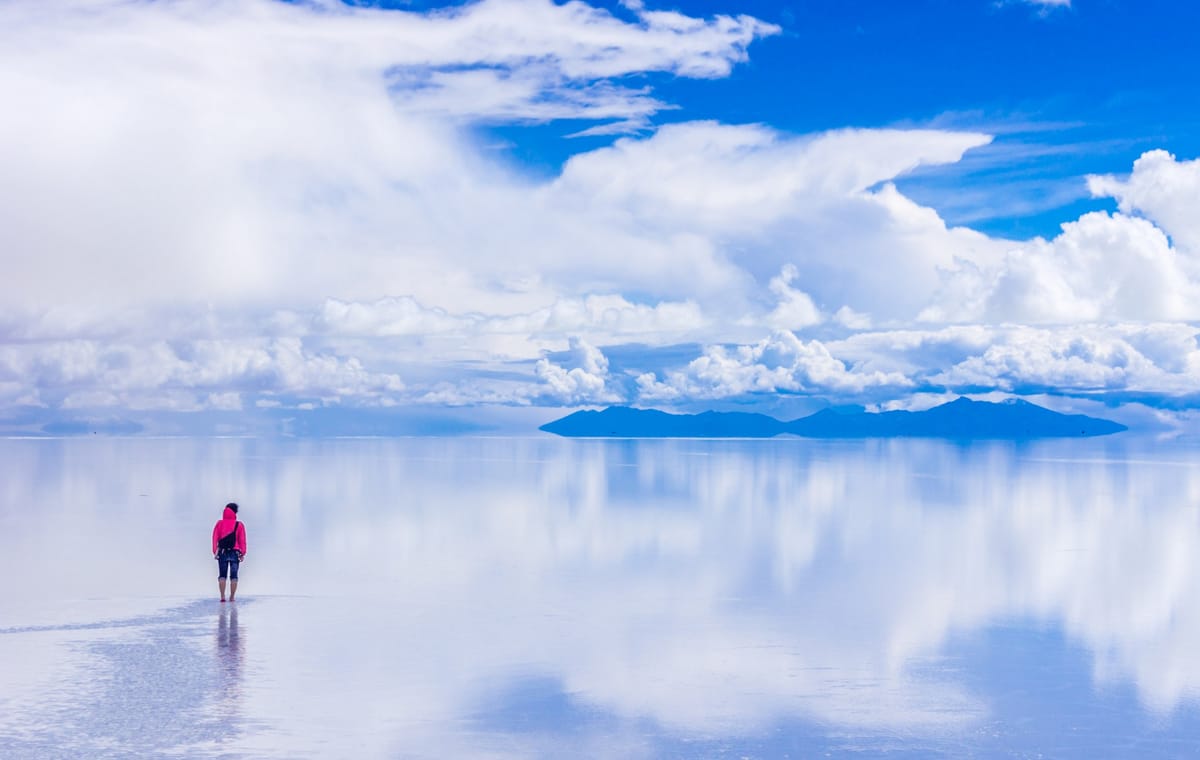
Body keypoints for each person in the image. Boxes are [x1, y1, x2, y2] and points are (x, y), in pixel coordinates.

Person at [212, 502, 247, 602]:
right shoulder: (239, 525)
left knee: (222, 575)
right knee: (234, 576)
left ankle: (222, 597)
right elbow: (242, 540)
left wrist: (215, 551)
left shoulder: (219, 523)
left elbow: (215, 538)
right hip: (235, 553)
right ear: (235, 512)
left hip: (222, 552)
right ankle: (232, 597)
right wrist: (242, 553)